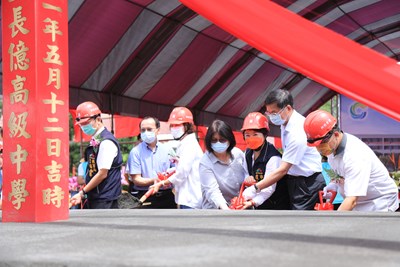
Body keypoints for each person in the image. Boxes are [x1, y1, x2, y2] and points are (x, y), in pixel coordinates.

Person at [243, 89, 325, 210]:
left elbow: (282, 170)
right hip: (295, 181)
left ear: (288, 108)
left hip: (307, 183)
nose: (271, 117)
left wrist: (255, 188)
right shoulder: (285, 122)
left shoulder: (297, 131)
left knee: (301, 223)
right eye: (269, 113)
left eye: (274, 113)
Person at [304, 110, 399, 211]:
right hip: (359, 203)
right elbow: (338, 173)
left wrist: (332, 221)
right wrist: (334, 184)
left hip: (379, 203)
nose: (320, 149)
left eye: (322, 145)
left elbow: (351, 201)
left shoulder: (354, 155)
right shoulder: (332, 147)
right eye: (316, 146)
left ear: (335, 134)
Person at [70, 101, 123, 209]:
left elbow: (102, 174)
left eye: (86, 124)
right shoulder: (97, 139)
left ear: (98, 119)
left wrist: (82, 192)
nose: (83, 127)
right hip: (97, 196)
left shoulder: (106, 142)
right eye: (81, 125)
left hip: (105, 198)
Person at [151, 107, 203, 209]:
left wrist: (163, 182)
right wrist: (170, 172)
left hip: (191, 200)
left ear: (187, 126)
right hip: (187, 198)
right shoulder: (184, 143)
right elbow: (183, 168)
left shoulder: (189, 145)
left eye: (177, 125)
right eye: (172, 125)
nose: (174, 128)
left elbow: (182, 173)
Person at [241, 112, 290, 210]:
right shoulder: (247, 153)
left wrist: (252, 202)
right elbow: (245, 172)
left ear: (265, 135)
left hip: (275, 206)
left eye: (255, 134)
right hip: (258, 204)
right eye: (247, 135)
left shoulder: (273, 157)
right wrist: (248, 178)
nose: (251, 138)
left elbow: (269, 189)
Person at [127, 116, 176, 209]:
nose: (146, 133)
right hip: (146, 197)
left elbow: (177, 172)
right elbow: (136, 179)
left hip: (167, 197)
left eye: (149, 129)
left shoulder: (168, 150)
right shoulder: (135, 152)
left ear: (158, 130)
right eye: (143, 130)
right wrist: (155, 180)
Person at [199, 119, 247, 209]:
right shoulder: (205, 162)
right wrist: (225, 209)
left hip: (239, 208)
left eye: (222, 140)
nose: (218, 143)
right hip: (215, 212)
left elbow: (247, 178)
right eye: (214, 140)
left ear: (229, 140)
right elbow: (212, 191)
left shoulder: (238, 154)